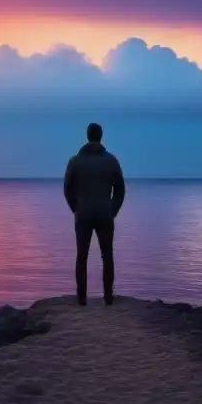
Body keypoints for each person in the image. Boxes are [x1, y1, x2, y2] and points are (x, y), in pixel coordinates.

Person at [63, 122, 126, 306]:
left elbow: (67, 188)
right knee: (107, 256)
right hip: (105, 214)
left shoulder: (75, 161)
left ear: (88, 136)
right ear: (100, 136)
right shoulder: (111, 160)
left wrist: (75, 207)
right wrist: (112, 209)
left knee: (81, 256)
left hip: (83, 214)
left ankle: (82, 298)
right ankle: (108, 297)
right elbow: (120, 189)